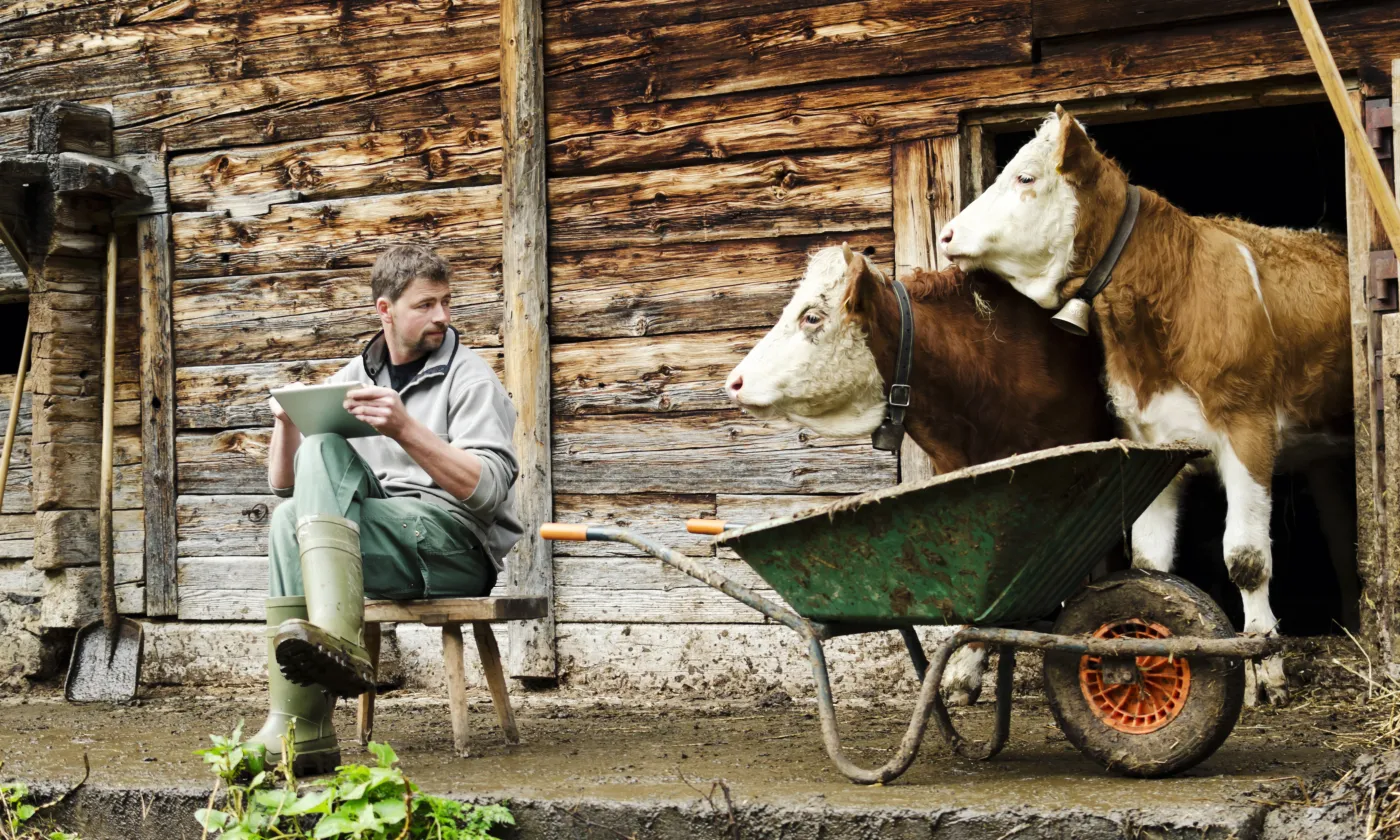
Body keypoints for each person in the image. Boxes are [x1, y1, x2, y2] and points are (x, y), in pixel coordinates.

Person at [246, 243, 523, 774]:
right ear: (385, 309)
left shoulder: (471, 379)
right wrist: (286, 424)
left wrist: (405, 428)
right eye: (425, 304)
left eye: (445, 302)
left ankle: (336, 641)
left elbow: (487, 492)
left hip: (455, 544)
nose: (441, 315)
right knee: (290, 511)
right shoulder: (353, 375)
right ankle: (298, 729)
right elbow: (288, 490)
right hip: (377, 542)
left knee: (308, 494)